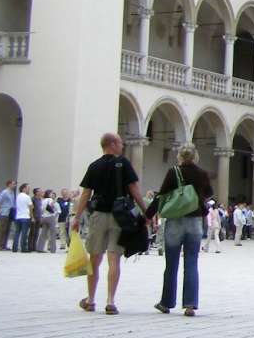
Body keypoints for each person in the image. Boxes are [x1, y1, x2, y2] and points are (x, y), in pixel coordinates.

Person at [72, 133, 149, 315]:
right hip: (119, 217)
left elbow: (86, 194)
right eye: (120, 143)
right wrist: (147, 211)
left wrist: (77, 216)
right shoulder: (124, 164)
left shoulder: (94, 165)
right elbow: (135, 190)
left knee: (94, 258)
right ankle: (110, 301)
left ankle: (90, 300)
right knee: (114, 259)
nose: (122, 146)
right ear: (112, 144)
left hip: (98, 214)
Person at [148, 143, 212, 317]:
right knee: (191, 262)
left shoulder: (173, 172)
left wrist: (148, 215)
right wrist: (195, 198)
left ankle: (166, 302)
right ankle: (190, 304)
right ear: (195, 156)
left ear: (180, 157)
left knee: (171, 264)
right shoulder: (202, 174)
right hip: (194, 221)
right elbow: (209, 193)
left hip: (175, 220)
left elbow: (161, 196)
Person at [11, 183, 32, 253]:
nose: (29, 190)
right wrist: (31, 216)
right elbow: (31, 206)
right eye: (28, 188)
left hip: (18, 216)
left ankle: (14, 247)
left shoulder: (18, 196)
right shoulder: (27, 197)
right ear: (24, 188)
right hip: (25, 216)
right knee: (24, 233)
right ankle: (23, 247)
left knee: (17, 232)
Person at [0, 180, 14, 251]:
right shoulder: (4, 192)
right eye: (13, 184)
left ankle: (4, 245)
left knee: (7, 230)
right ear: (9, 184)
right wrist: (0, 211)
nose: (14, 185)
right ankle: (0, 246)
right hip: (4, 213)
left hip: (10, 213)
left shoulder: (12, 192)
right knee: (2, 230)